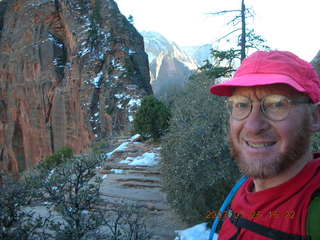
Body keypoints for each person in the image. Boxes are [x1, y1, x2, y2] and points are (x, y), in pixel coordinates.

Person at [209, 50, 320, 239]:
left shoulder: (312, 214)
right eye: (241, 105)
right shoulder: (242, 191)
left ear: (315, 118)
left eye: (277, 105)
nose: (253, 126)